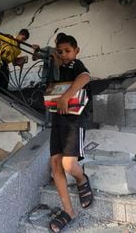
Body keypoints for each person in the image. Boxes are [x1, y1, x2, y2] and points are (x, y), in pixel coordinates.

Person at [48, 34, 93, 232]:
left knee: (68, 164)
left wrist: (66, 96)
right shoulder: (57, 68)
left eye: (68, 51)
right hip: (57, 119)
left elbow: (85, 77)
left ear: (76, 51)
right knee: (56, 164)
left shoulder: (76, 65)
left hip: (75, 120)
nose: (64, 55)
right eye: (60, 52)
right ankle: (68, 211)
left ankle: (82, 180)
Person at [0, 24, 30, 91]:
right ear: (19, 34)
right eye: (22, 38)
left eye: (24, 40)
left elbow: (13, 61)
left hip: (5, 62)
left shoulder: (18, 50)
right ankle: (0, 91)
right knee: (3, 76)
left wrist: (20, 63)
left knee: (6, 79)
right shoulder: (9, 38)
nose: (22, 41)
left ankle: (1, 91)